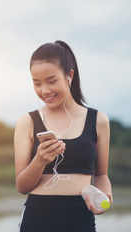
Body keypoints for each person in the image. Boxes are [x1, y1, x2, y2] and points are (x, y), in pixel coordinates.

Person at [14, 40, 113, 232]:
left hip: (80, 220)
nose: (44, 90)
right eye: (37, 83)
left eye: (52, 81)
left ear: (69, 76)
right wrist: (40, 160)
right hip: (37, 219)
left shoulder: (98, 120)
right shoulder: (27, 122)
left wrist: (106, 195)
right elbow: (21, 186)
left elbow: (101, 174)